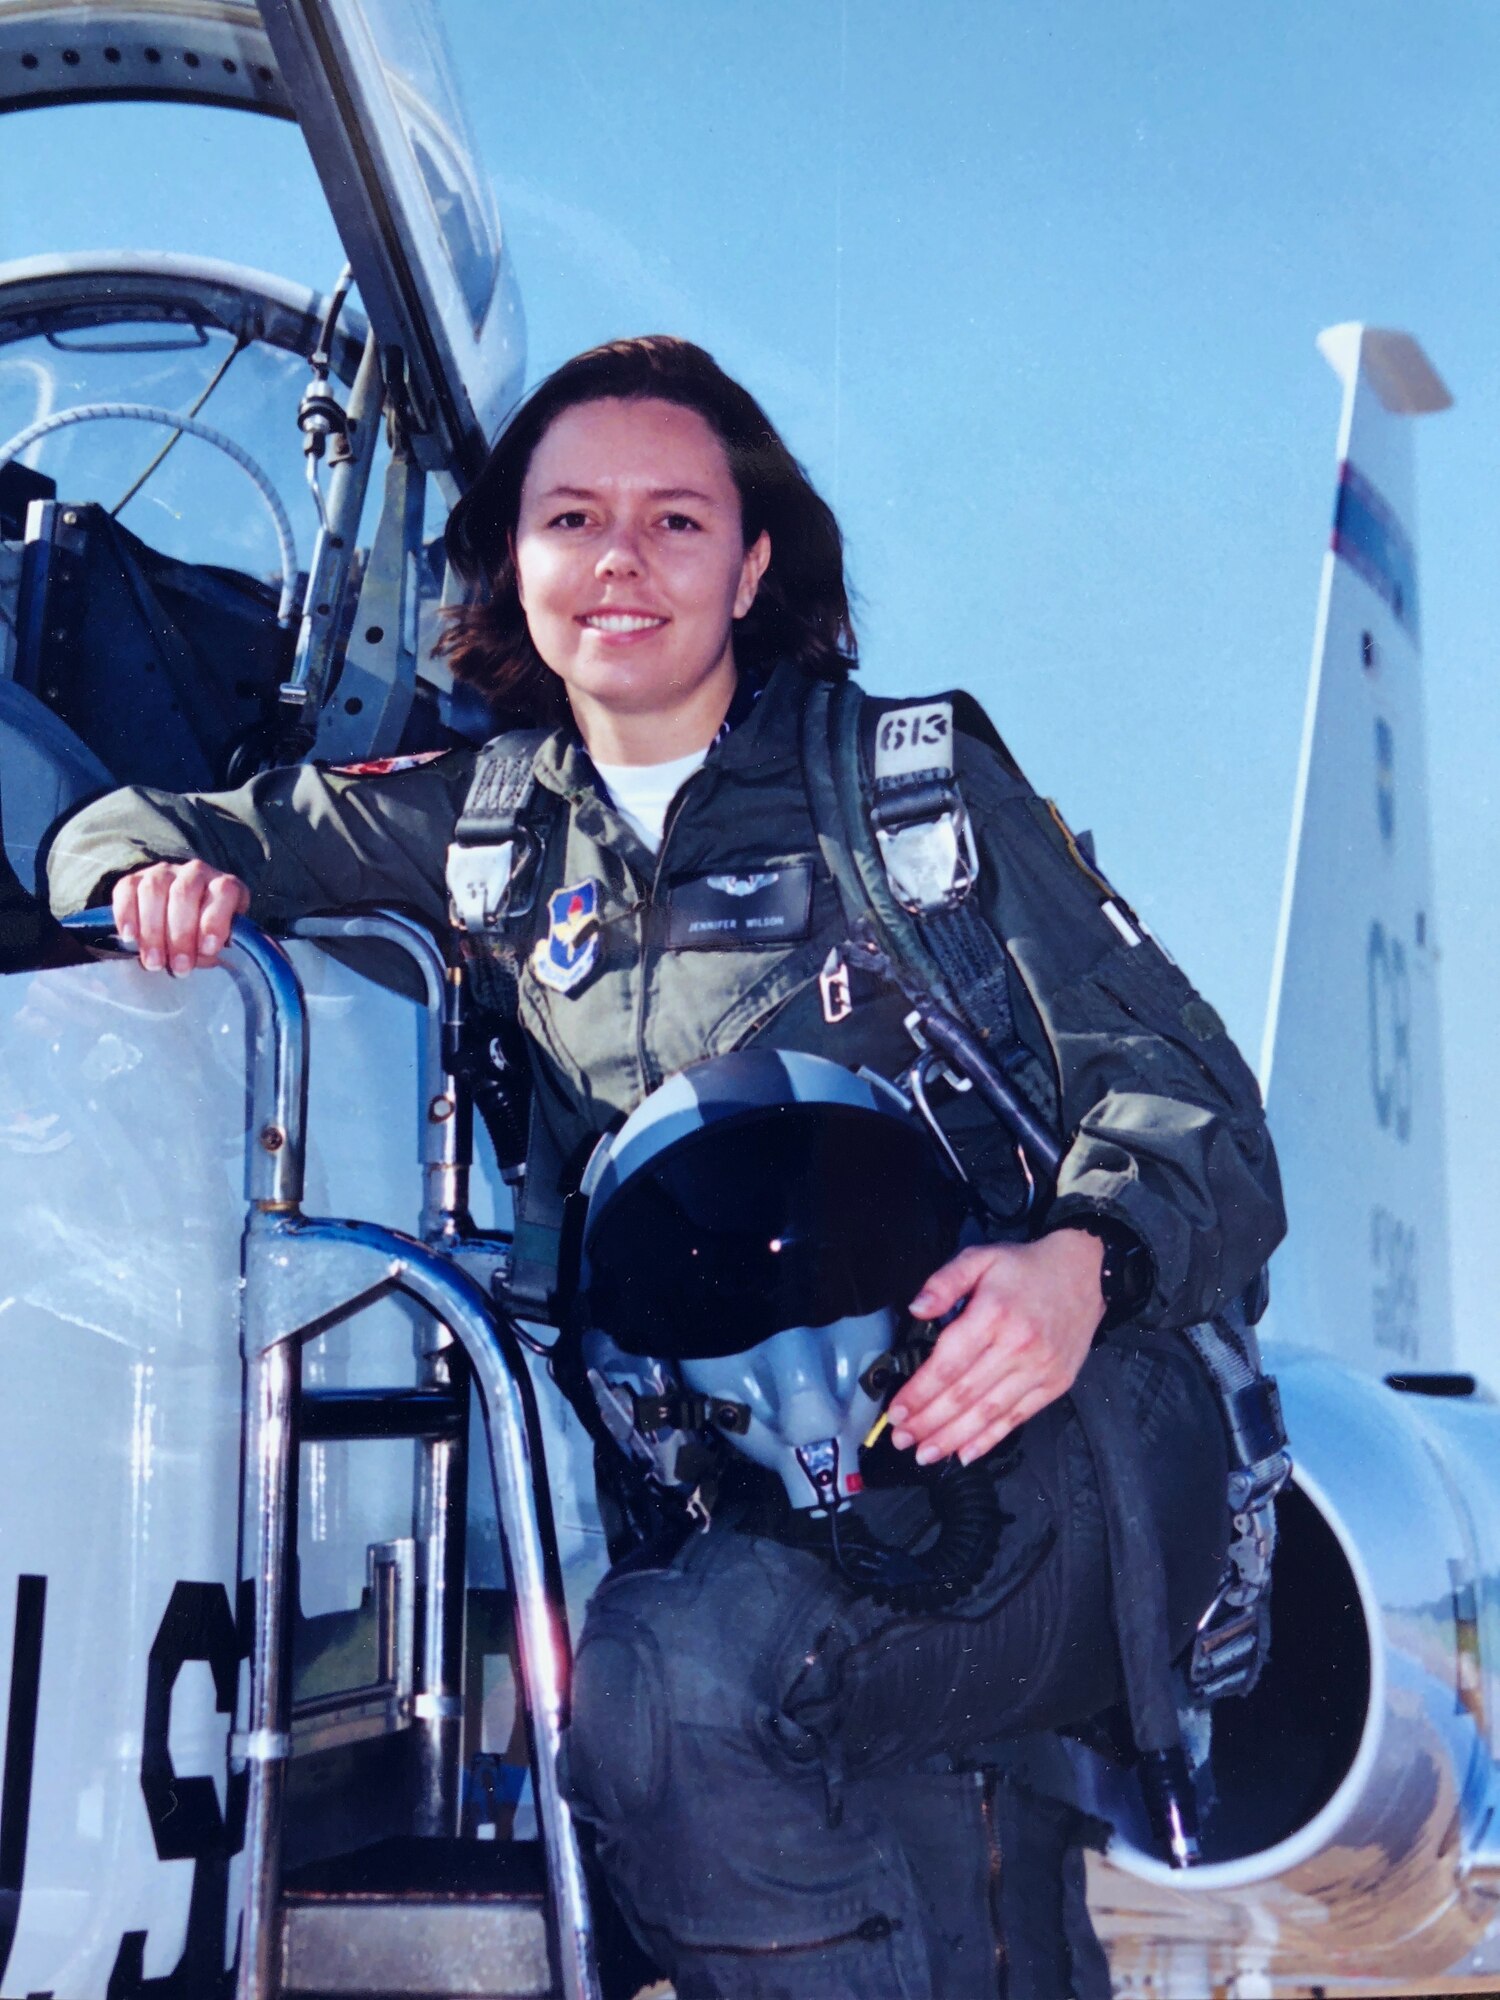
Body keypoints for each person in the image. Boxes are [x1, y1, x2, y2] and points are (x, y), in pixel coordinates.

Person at [49, 336, 1285, 1999]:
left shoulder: (907, 790)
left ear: (754, 562)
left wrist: (1083, 1267)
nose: (619, 562)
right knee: (907, 1853)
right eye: (571, 520)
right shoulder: (480, 828)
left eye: (675, 522)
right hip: (767, 1497)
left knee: (668, 1691)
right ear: (514, 561)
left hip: (1041, 1438)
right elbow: (140, 822)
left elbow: (1190, 1091)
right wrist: (145, 879)